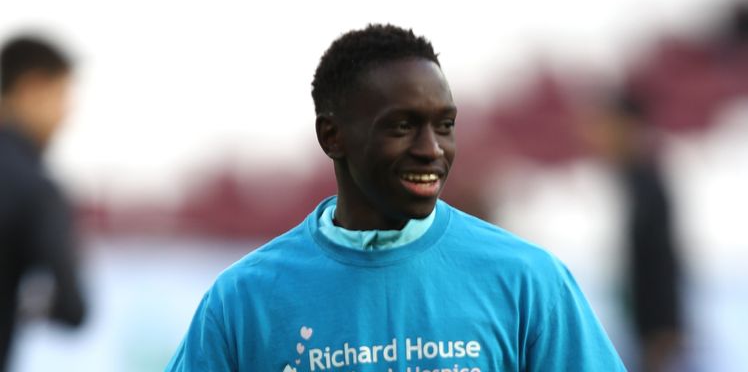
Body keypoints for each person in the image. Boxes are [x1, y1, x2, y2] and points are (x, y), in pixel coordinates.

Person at [166, 24, 625, 371]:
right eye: (402, 126)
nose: (431, 149)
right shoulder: (244, 300)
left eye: (444, 125)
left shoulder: (529, 282)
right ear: (332, 136)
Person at [0, 36, 86, 370]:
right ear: (33, 89)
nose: (67, 115)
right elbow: (73, 308)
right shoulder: (36, 189)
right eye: (62, 96)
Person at [588, 92, 683, 372]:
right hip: (624, 330)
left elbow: (661, 260)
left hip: (646, 332)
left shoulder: (647, 184)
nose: (599, 135)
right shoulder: (620, 180)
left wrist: (665, 326)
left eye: (607, 126)